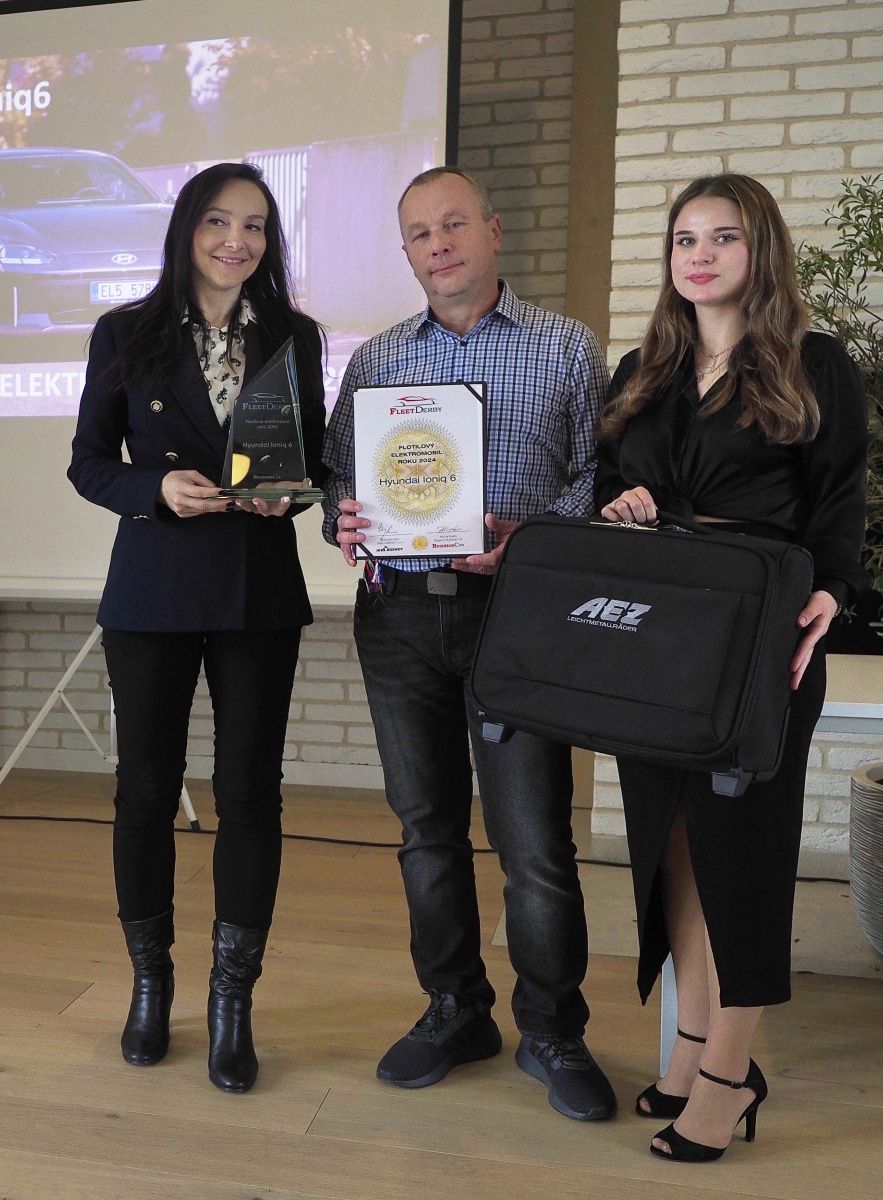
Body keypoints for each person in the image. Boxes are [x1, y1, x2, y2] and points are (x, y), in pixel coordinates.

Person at [321, 166, 617, 1122]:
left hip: (518, 616)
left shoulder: (567, 346)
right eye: (419, 233)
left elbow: (598, 477)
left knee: (534, 840)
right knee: (426, 834)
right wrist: (344, 518)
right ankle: (456, 1008)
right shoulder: (375, 361)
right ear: (406, 253)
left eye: (453, 224)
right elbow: (337, 481)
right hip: (399, 617)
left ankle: (553, 1028)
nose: (438, 244)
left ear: (493, 231)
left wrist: (530, 538)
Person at [596, 173, 868, 1162]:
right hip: (657, 637)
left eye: (722, 237)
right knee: (673, 843)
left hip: (760, 634)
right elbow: (607, 483)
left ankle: (728, 1074)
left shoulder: (814, 362)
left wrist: (831, 590)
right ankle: (688, 1046)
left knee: (740, 854)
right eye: (684, 239)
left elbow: (840, 496)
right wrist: (622, 504)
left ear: (761, 252)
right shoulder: (642, 370)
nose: (699, 255)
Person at [68, 161, 326, 1094]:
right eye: (219, 221)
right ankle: (151, 987)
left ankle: (232, 1001)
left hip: (258, 589)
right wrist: (156, 489)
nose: (236, 241)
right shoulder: (125, 332)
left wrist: (290, 496)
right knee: (144, 792)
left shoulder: (295, 335)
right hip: (153, 590)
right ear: (186, 230)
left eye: (254, 226)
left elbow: (312, 459)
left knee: (250, 795)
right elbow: (89, 463)